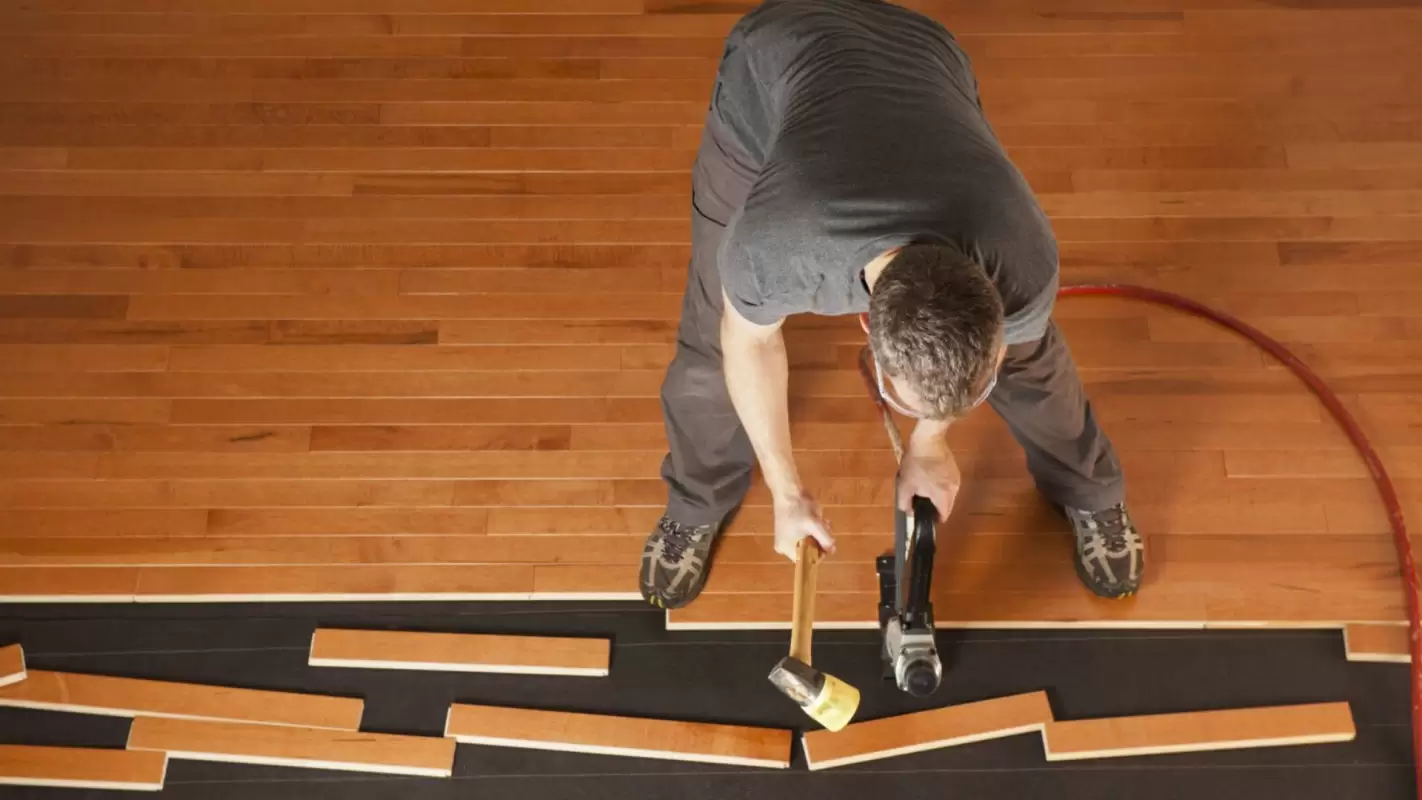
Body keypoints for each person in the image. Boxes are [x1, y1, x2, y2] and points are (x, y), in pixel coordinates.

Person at [639, 0, 1144, 610]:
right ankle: (695, 500)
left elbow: (993, 355)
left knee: (1034, 357)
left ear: (988, 295)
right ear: (863, 322)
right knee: (710, 337)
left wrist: (930, 445)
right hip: (776, 59)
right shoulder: (775, 248)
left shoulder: (1020, 253)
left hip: (920, 51)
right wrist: (785, 491)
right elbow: (748, 342)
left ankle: (1091, 489)